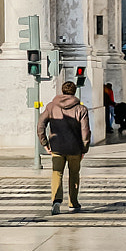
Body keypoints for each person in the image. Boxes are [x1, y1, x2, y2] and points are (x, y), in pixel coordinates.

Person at [38, 79, 91, 215]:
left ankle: (56, 200)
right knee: (74, 174)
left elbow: (40, 125)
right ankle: (73, 203)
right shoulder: (81, 109)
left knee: (57, 173)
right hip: (75, 148)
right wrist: (84, 148)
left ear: (62, 91)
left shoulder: (51, 107)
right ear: (74, 92)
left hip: (57, 147)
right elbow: (85, 131)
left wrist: (44, 143)